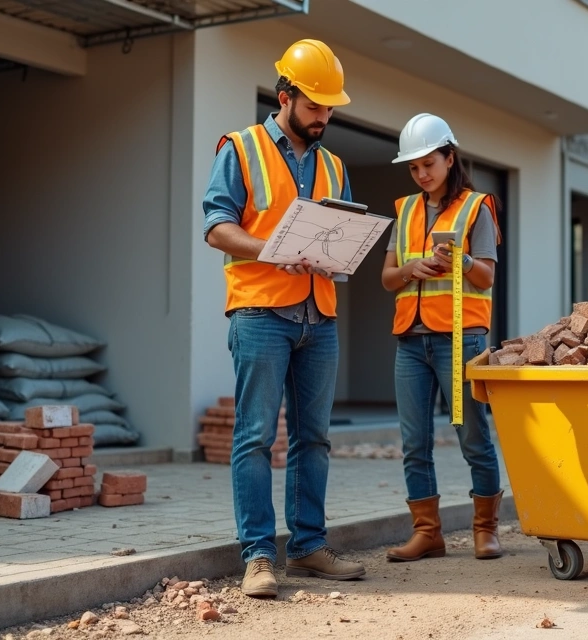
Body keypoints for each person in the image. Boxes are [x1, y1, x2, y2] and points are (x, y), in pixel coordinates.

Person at [202, 38, 368, 598]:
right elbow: (216, 227)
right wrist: (268, 248)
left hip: (318, 316)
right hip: (260, 313)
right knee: (253, 438)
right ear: (285, 97)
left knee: (313, 439)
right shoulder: (241, 148)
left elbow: (339, 234)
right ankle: (257, 556)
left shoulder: (335, 165)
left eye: (329, 108)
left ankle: (308, 547)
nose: (324, 117)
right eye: (315, 107)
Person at [380, 113, 505, 562]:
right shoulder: (405, 210)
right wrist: (412, 268)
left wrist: (463, 260)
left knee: (473, 437)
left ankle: (485, 529)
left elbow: (487, 277)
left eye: (429, 164)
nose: (421, 174)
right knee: (415, 443)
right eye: (413, 168)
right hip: (411, 343)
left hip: (461, 340)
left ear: (450, 158)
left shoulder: (477, 208)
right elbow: (388, 278)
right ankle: (427, 533)